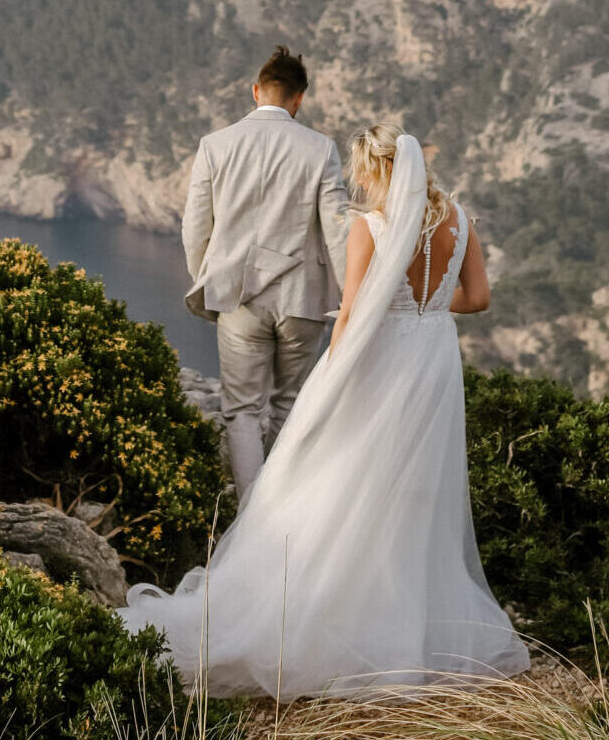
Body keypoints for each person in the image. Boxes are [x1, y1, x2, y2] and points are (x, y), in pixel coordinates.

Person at [121, 123, 528, 698]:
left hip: (382, 357)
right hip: (435, 359)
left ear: (374, 170)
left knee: (340, 475)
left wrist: (334, 374)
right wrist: (430, 307)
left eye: (361, 172)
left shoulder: (371, 226)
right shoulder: (459, 221)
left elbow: (351, 312)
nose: (358, 182)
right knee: (414, 489)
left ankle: (332, 608)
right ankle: (401, 620)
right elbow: (479, 299)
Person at [181, 45, 348, 495]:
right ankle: (280, 510)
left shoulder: (214, 147)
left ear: (256, 91)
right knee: (289, 404)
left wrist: (208, 280)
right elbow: (338, 230)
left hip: (237, 297)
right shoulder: (321, 149)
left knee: (241, 410)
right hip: (302, 299)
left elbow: (196, 227)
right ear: (299, 99)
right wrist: (354, 297)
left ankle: (249, 518)